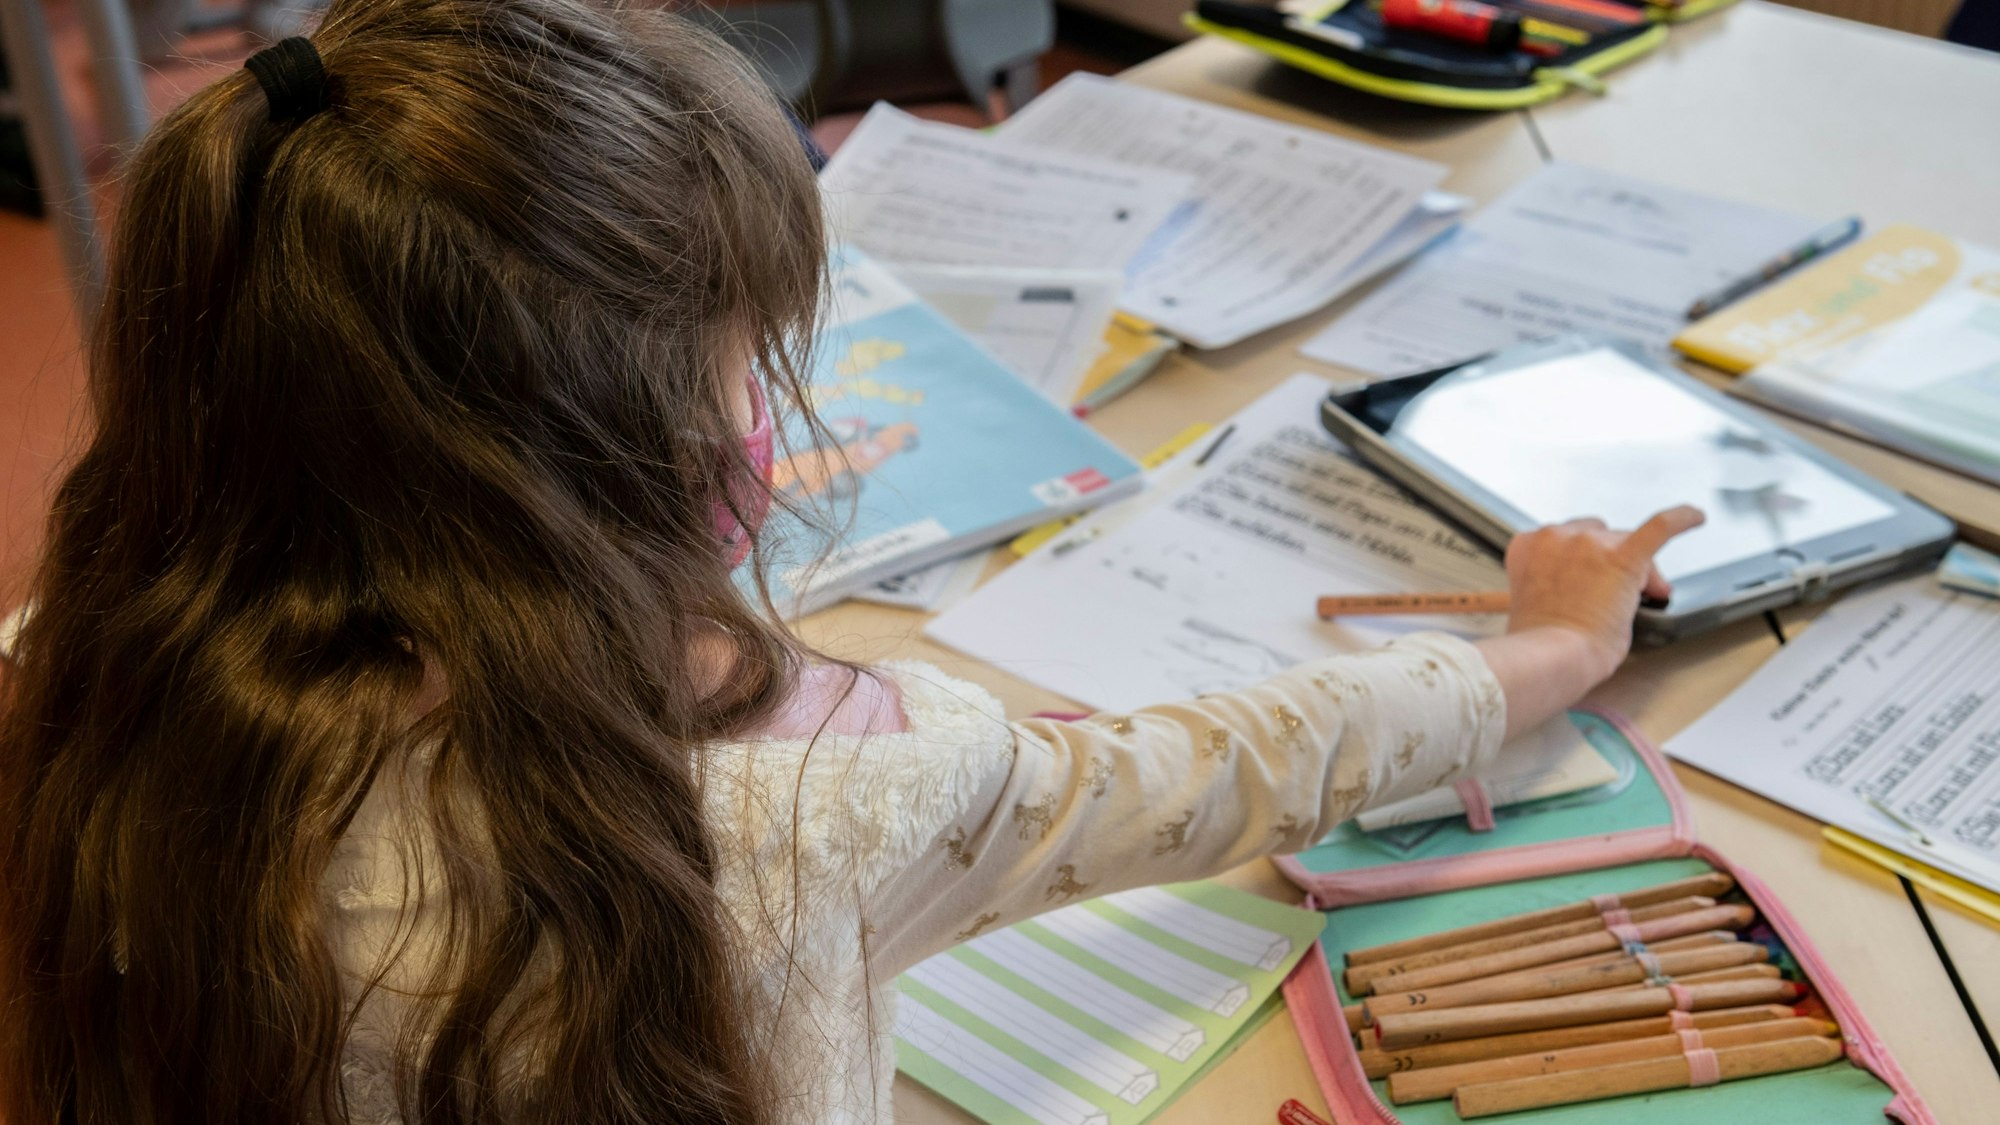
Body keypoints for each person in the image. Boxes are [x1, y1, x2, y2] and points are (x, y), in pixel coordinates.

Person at [0, 0, 1703, 1121]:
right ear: (626, 475)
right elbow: (1191, 773)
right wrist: (1545, 653)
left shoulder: (70, 684)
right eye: (745, 372)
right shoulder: (810, 798)